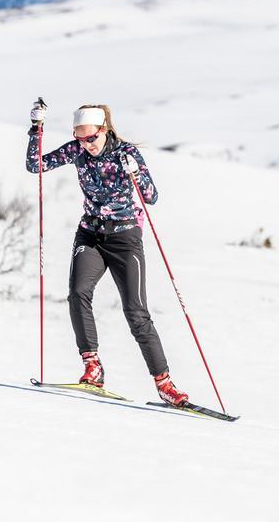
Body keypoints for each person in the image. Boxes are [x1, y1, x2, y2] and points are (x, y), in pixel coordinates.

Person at [25, 100, 189, 406]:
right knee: (77, 293)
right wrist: (37, 129)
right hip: (91, 232)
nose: (85, 145)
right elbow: (36, 165)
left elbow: (151, 197)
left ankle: (165, 384)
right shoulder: (76, 150)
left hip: (125, 236)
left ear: (104, 130)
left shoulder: (125, 154)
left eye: (91, 138)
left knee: (135, 312)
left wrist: (136, 173)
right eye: (79, 138)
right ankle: (92, 366)